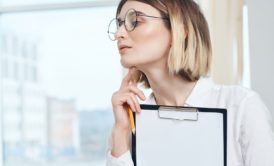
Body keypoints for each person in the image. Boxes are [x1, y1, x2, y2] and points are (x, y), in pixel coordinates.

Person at [106, 0, 274, 166]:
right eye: (119, 24)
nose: (118, 33)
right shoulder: (128, 123)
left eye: (135, 21)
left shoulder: (241, 106)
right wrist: (120, 134)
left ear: (179, 30)